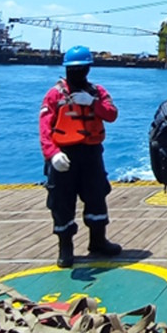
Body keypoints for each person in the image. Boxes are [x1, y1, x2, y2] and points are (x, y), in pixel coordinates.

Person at [39, 45, 121, 268]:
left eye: (81, 68)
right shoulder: (55, 95)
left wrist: (92, 103)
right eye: (72, 69)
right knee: (61, 202)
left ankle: (98, 241)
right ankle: (65, 247)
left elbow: (112, 114)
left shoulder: (97, 92)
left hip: (91, 154)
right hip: (63, 155)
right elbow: (45, 129)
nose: (76, 73)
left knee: (96, 196)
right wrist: (53, 154)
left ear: (88, 69)